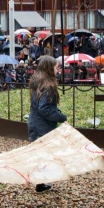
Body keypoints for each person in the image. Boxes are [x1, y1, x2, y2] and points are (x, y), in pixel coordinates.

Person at [27, 56, 66, 194]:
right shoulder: (48, 86)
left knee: (40, 153)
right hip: (42, 126)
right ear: (50, 68)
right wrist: (61, 117)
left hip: (35, 122)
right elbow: (45, 108)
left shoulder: (38, 82)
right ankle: (39, 182)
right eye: (56, 67)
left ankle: (40, 182)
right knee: (42, 154)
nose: (58, 70)